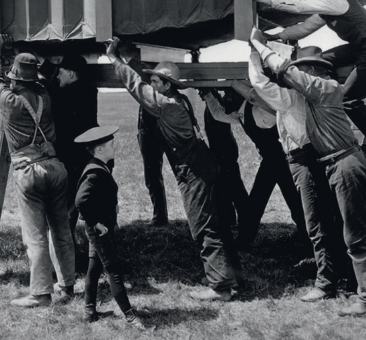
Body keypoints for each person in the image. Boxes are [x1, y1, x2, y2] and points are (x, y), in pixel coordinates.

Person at [250, 28, 366, 316]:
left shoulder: (322, 90)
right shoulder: (323, 92)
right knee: (365, 233)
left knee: (358, 236)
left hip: (344, 164)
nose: (303, 75)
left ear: (317, 72)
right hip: (344, 162)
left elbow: (284, 73)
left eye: (308, 70)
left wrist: (256, 46)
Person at [106, 37, 239, 301]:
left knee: (203, 227)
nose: (152, 84)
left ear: (167, 85)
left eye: (156, 82)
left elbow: (136, 86)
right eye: (152, 81)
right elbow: (142, 84)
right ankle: (228, 275)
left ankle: (221, 287)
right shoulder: (178, 100)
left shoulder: (166, 106)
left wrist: (114, 58)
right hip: (205, 166)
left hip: (194, 173)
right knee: (218, 224)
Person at [243, 0, 366, 155]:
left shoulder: (336, 0)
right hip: (362, 46)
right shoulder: (327, 9)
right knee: (320, 61)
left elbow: (299, 6)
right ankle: (325, 93)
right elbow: (304, 29)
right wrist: (271, 38)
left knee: (348, 99)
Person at [246, 44, 354, 302]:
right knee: (329, 218)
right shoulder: (312, 94)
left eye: (300, 70)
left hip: (303, 160)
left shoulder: (293, 97)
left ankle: (326, 283)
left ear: (312, 72)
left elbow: (260, 83)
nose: (294, 75)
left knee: (315, 222)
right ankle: (345, 276)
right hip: (315, 157)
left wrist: (253, 53)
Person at [0, 28, 75, 308]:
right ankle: (68, 286)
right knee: (61, 230)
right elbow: (43, 79)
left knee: (34, 235)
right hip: (56, 167)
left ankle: (40, 293)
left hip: (29, 171)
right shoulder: (46, 97)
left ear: (15, 78)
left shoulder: (10, 101)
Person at [200, 88, 309, 252]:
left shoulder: (258, 112)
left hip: (283, 162)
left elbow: (278, 115)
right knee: (255, 205)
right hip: (271, 163)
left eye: (229, 95)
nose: (225, 99)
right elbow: (218, 114)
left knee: (295, 205)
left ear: (239, 95)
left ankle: (311, 246)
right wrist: (208, 95)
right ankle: (243, 243)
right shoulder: (240, 112)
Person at [74, 126, 147, 329]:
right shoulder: (95, 172)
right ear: (99, 150)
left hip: (100, 227)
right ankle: (130, 316)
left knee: (94, 268)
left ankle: (89, 312)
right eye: (110, 145)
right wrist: (96, 223)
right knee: (113, 269)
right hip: (100, 230)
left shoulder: (100, 166)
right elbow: (81, 201)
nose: (114, 148)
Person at [40, 54, 98, 248]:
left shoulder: (68, 94)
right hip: (84, 155)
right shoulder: (87, 89)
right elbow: (55, 83)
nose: (58, 75)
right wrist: (42, 61)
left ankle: (64, 252)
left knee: (66, 208)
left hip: (71, 158)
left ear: (71, 74)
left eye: (61, 72)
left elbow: (52, 89)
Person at [199, 92, 249, 231]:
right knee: (226, 185)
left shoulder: (217, 104)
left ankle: (244, 217)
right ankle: (231, 218)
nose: (200, 95)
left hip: (225, 151)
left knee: (234, 186)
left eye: (203, 92)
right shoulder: (212, 104)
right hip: (222, 151)